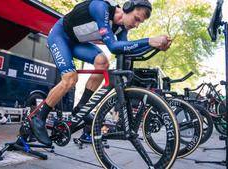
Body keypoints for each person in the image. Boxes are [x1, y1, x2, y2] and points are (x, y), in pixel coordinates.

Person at [31, 0, 172, 146]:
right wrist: (149, 41)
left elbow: (125, 50)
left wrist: (154, 47)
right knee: (70, 78)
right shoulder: (100, 7)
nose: (136, 25)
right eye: (137, 19)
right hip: (60, 35)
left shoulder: (122, 27)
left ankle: (81, 108)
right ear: (127, 8)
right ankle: (39, 118)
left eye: (140, 23)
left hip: (76, 42)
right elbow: (113, 46)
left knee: (102, 62)